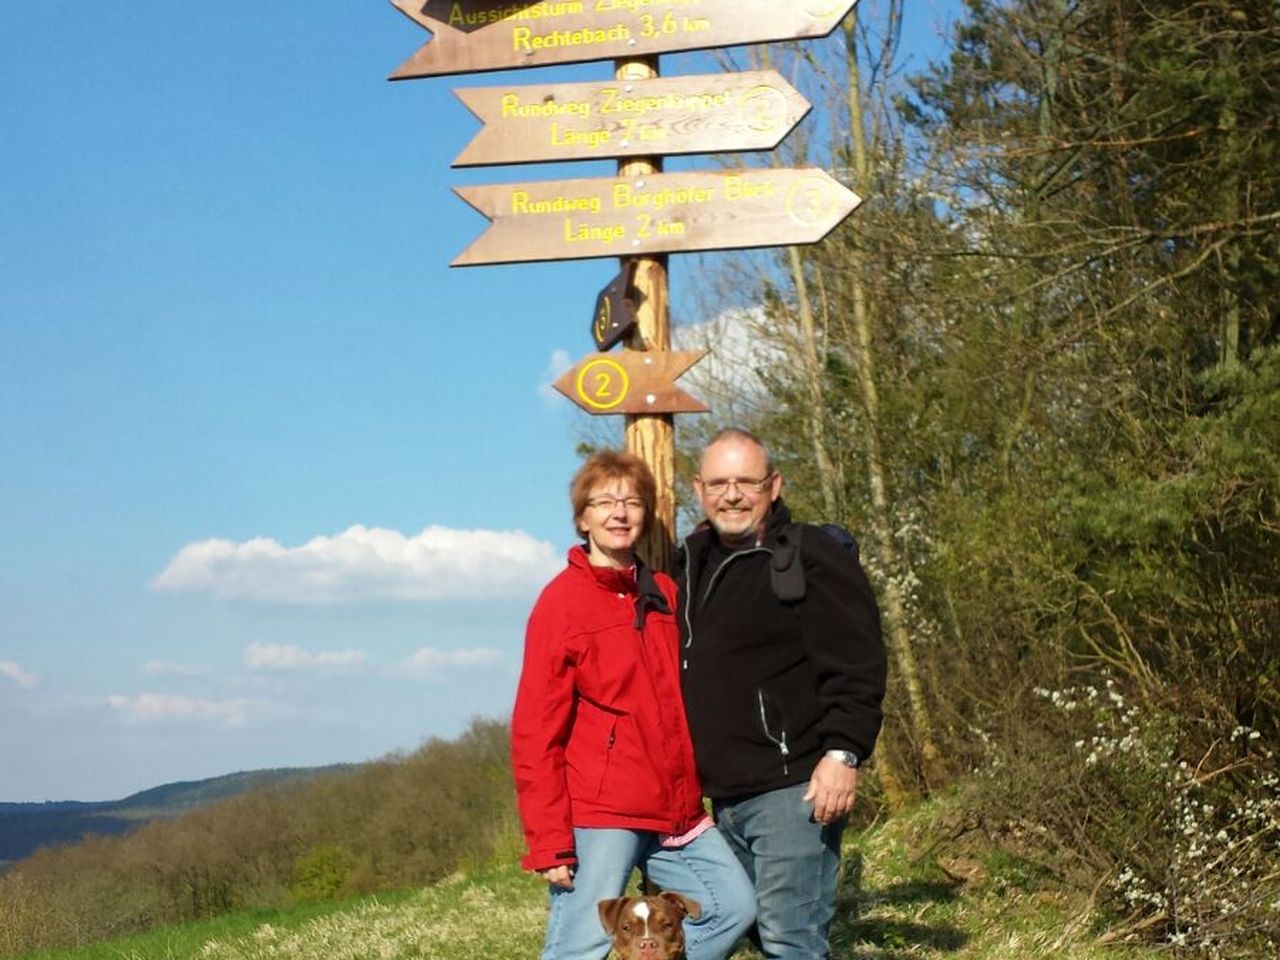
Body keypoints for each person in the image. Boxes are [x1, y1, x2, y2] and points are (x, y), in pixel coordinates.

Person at [511, 450, 756, 960]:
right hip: (603, 814)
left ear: (646, 515)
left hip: (676, 809)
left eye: (632, 501)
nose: (619, 512)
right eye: (604, 502)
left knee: (733, 908)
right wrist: (550, 840)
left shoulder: (667, 593)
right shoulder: (560, 605)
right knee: (581, 946)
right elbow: (535, 732)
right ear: (583, 518)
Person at [678, 428, 887, 960]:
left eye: (746, 482)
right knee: (743, 927)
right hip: (720, 797)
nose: (732, 494)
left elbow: (857, 660)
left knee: (790, 941)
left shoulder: (809, 555)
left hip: (793, 788)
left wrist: (844, 752)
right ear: (698, 489)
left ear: (773, 486)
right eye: (719, 482)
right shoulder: (689, 561)